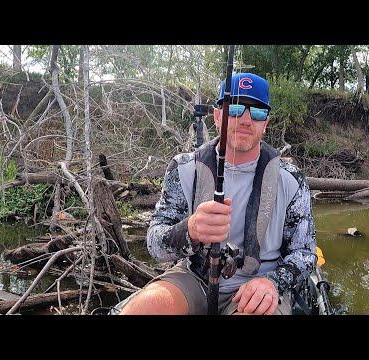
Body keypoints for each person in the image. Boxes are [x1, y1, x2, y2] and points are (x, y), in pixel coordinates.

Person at [117, 72, 317, 315]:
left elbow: (305, 254)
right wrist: (189, 231)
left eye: (257, 112)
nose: (245, 119)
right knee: (144, 308)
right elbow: (155, 246)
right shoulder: (183, 168)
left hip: (258, 285)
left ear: (265, 123)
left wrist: (273, 282)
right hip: (194, 277)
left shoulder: (291, 179)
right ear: (216, 116)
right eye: (234, 109)